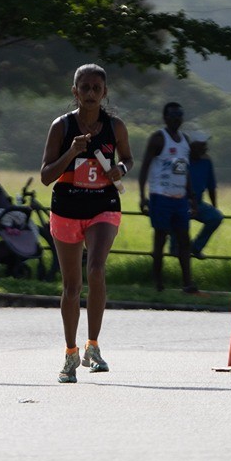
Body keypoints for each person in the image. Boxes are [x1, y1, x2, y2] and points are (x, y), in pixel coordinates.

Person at [41, 63, 133, 383]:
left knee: (95, 269)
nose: (91, 93)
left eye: (97, 88)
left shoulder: (115, 126)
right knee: (72, 286)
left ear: (105, 92)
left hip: (103, 206)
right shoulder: (61, 126)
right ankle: (71, 353)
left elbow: (128, 158)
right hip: (67, 207)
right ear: (75, 91)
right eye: (85, 88)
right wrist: (71, 152)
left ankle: (93, 345)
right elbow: (46, 176)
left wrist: (121, 169)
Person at [138, 101, 196, 294]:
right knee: (160, 239)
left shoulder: (185, 140)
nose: (177, 119)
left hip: (180, 198)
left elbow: (185, 171)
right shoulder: (158, 138)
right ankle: (158, 282)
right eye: (173, 115)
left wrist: (192, 197)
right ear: (165, 118)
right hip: (160, 196)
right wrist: (142, 196)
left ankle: (187, 283)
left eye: (179, 115)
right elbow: (145, 167)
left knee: (184, 240)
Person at [186, 130, 222, 259]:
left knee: (216, 217)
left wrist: (214, 206)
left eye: (205, 146)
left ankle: (196, 247)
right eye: (202, 146)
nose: (205, 149)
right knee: (179, 219)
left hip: (198, 202)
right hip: (180, 202)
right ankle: (177, 247)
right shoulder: (182, 159)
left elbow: (211, 186)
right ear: (192, 147)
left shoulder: (206, 161)